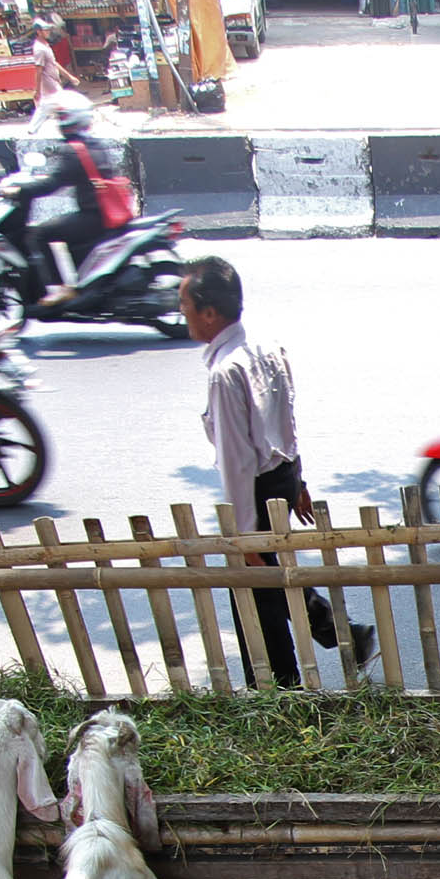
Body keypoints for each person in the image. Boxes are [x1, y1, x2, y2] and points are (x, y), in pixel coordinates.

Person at [181, 256, 372, 686]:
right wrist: (298, 480)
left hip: (256, 492)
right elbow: (287, 422)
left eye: (186, 306)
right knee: (280, 584)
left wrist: (245, 536)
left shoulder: (225, 371)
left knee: (257, 605)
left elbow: (236, 459)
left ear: (209, 312)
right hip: (280, 480)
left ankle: (278, 694)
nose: (183, 315)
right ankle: (343, 636)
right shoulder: (266, 348)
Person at [0, 92, 119, 309]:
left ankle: (60, 289)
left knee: (39, 233)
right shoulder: (93, 144)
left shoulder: (74, 150)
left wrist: (18, 191)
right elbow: (64, 176)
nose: (59, 122)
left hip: (94, 217)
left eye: (61, 117)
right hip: (103, 213)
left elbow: (52, 184)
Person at [31, 20, 67, 109]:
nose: (48, 32)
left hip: (53, 81)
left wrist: (69, 77)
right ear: (39, 32)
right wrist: (37, 90)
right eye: (45, 30)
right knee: (61, 106)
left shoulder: (45, 45)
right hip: (48, 82)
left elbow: (54, 63)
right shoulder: (39, 49)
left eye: (48, 30)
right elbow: (38, 70)